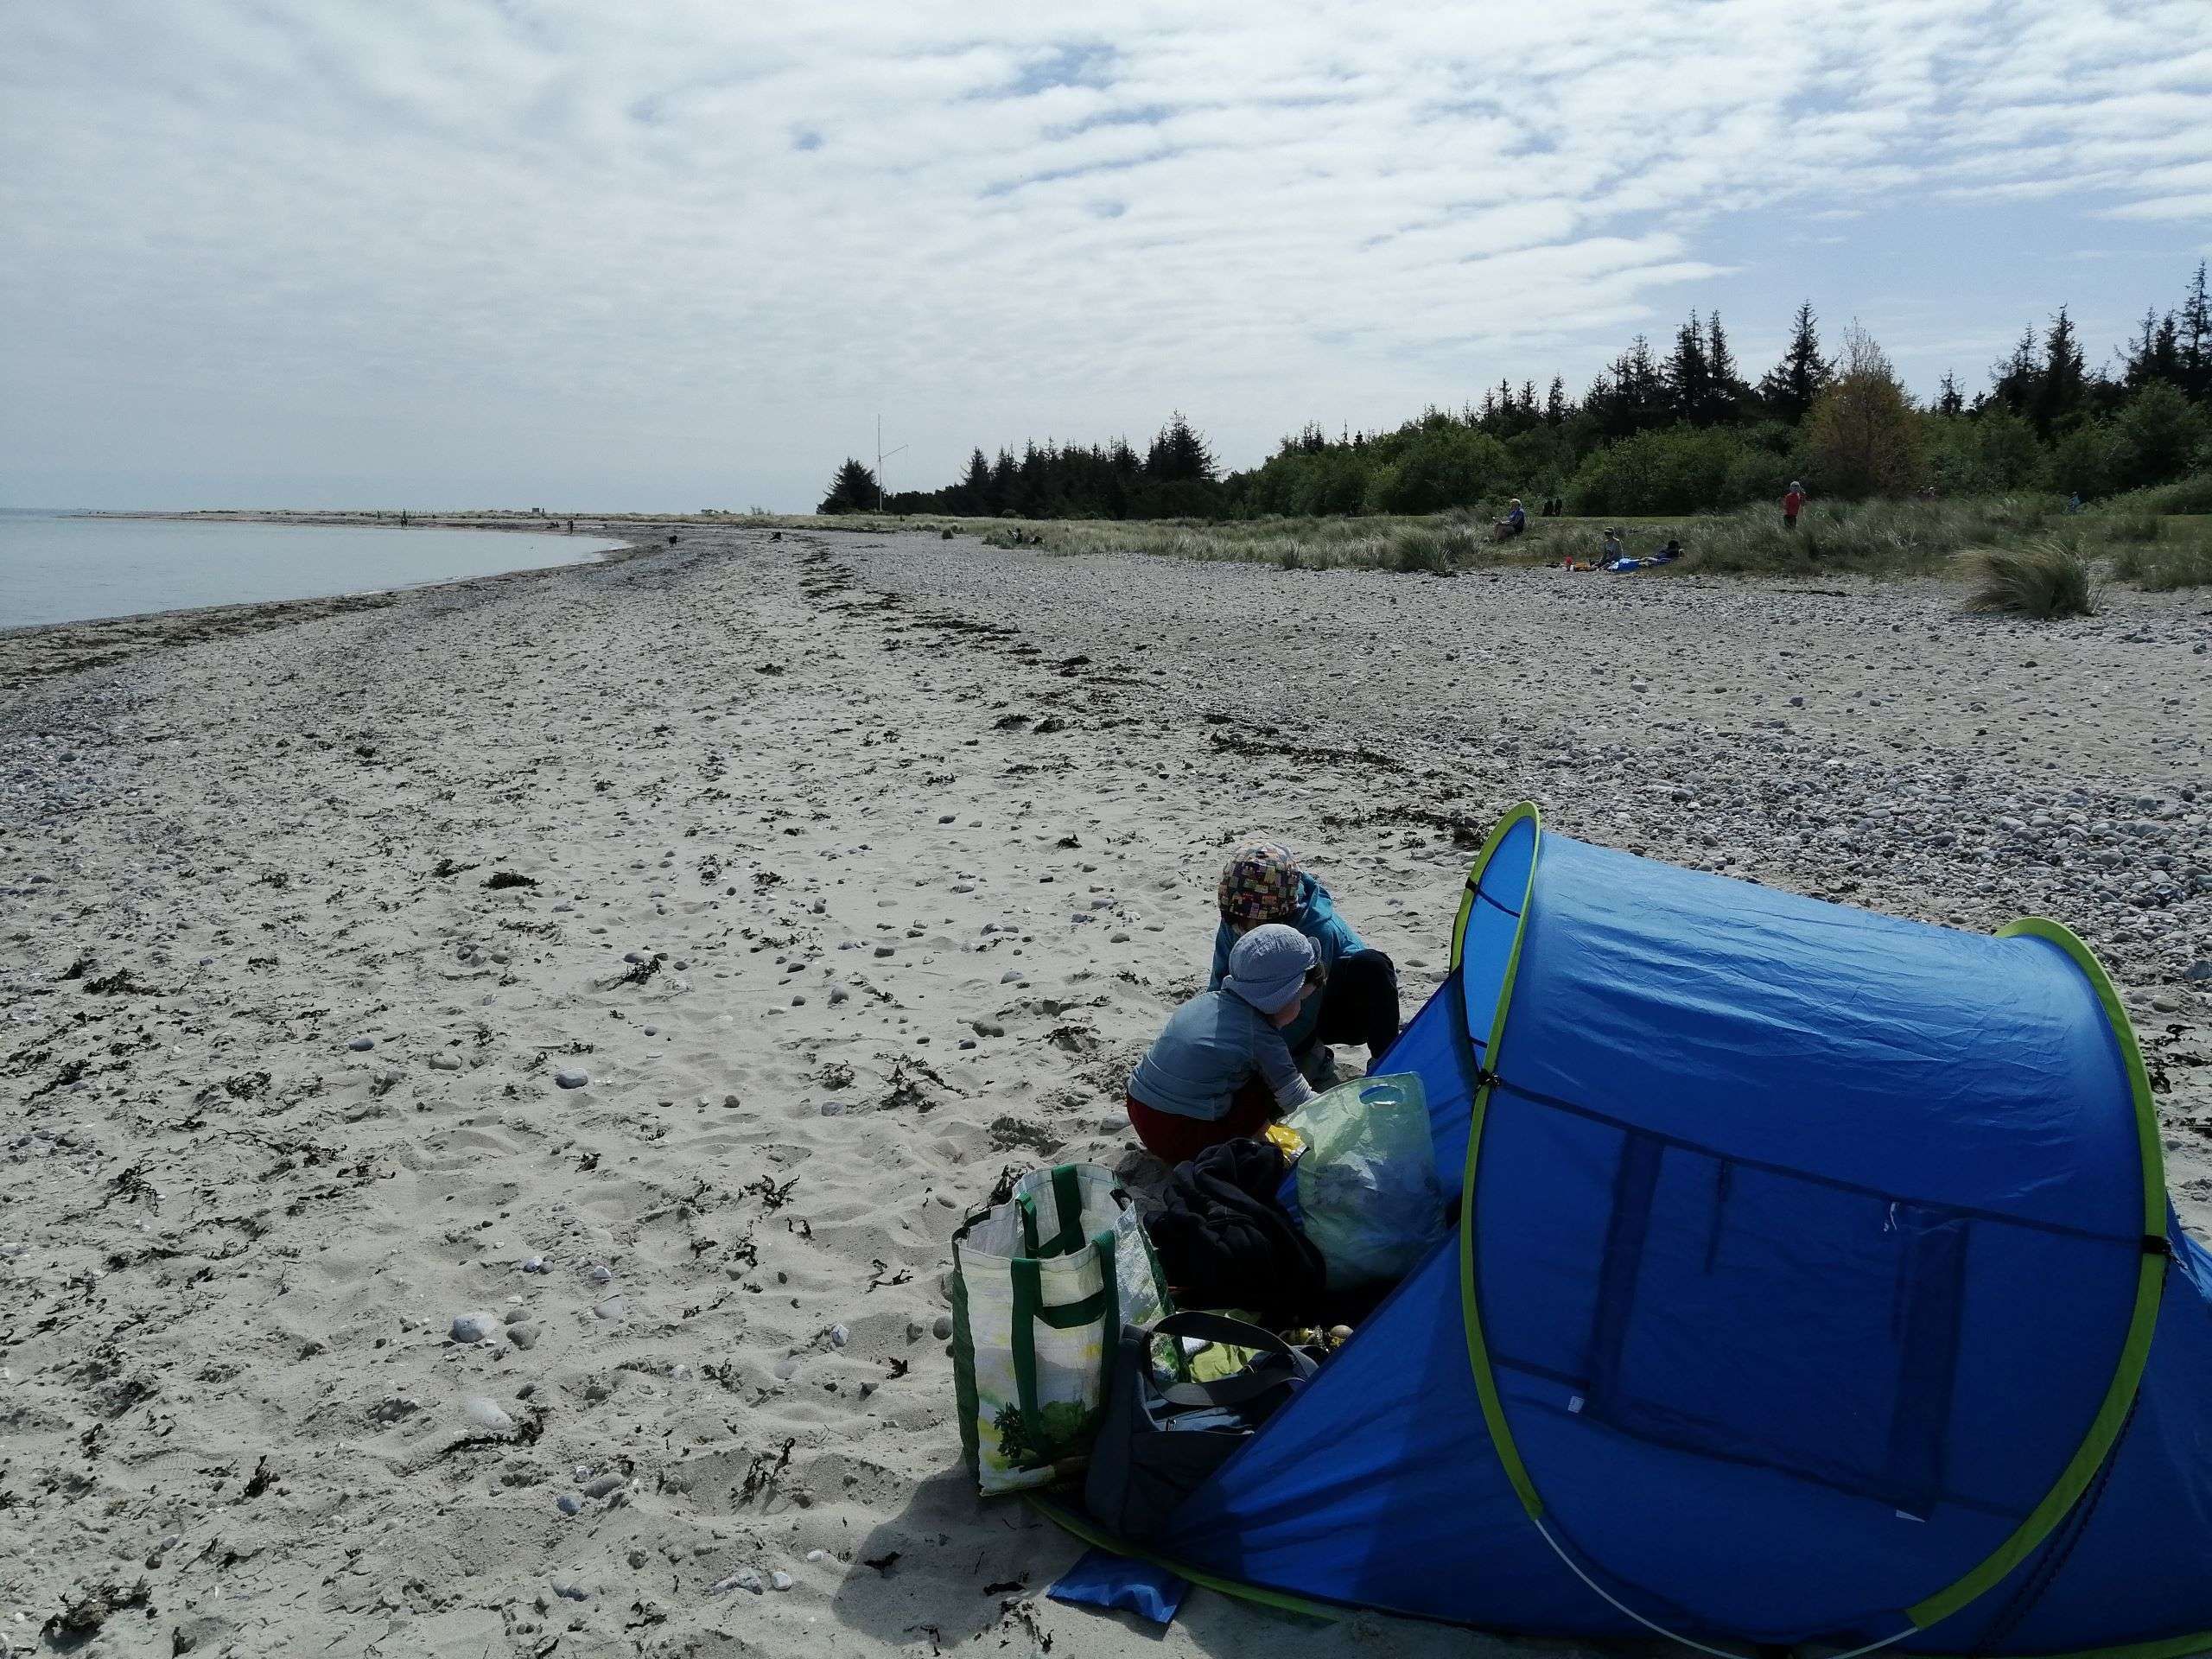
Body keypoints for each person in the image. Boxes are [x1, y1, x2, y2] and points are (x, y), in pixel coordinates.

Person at [1126, 925, 1321, 1163]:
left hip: (1140, 1110)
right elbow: (1298, 1100)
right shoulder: (1260, 1035)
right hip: (1179, 1135)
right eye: (1300, 999)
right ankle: (1253, 1141)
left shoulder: (1208, 1001)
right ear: (1282, 996)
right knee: (1265, 1084)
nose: (1301, 1009)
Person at [1208, 842, 1399, 1073]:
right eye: (1240, 926)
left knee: (1372, 965)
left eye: (1255, 926)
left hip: (1332, 1005)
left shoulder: (1317, 930)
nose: (1246, 933)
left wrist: (1263, 1056)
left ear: (1280, 916)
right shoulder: (1237, 917)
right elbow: (1220, 986)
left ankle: (1386, 1064)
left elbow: (1304, 1010)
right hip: (1278, 998)